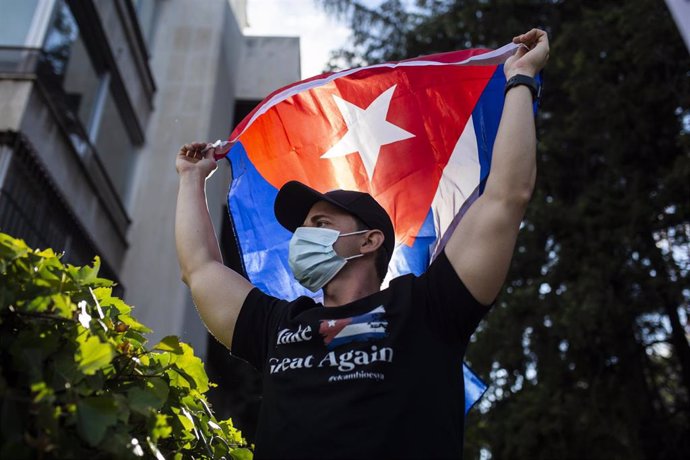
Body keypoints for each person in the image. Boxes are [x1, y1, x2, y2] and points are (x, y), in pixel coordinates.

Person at [175, 29, 549, 459]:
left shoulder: (430, 308)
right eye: (302, 228)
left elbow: (505, 197)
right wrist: (191, 180)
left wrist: (520, 79)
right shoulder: (277, 326)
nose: (303, 236)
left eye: (319, 222)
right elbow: (200, 269)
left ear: (368, 240)